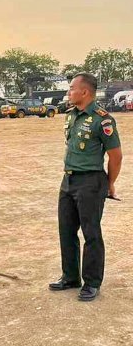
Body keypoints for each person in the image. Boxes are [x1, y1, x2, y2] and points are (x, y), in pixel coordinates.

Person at [49, 73, 122, 301]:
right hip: (68, 180)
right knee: (66, 230)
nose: (68, 92)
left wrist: (109, 184)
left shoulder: (103, 119)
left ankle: (91, 282)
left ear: (85, 92)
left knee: (91, 233)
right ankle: (70, 276)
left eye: (71, 88)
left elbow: (116, 156)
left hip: (91, 182)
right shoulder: (71, 116)